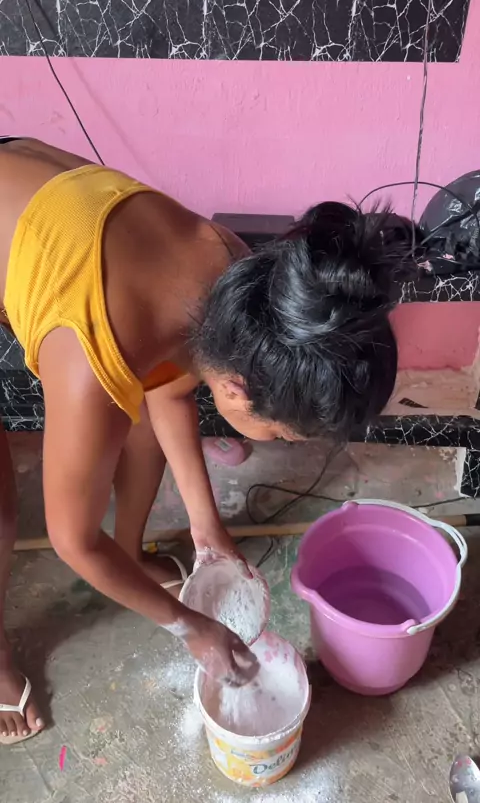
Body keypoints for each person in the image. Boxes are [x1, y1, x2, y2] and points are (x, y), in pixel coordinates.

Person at [0, 137, 416, 742]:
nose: (280, 441)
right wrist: (189, 627)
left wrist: (206, 529)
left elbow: (168, 390)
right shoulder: (91, 355)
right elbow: (73, 542)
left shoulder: (246, 283)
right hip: (50, 241)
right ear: (239, 389)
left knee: (141, 414)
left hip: (50, 206)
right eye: (280, 432)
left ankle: (132, 554)